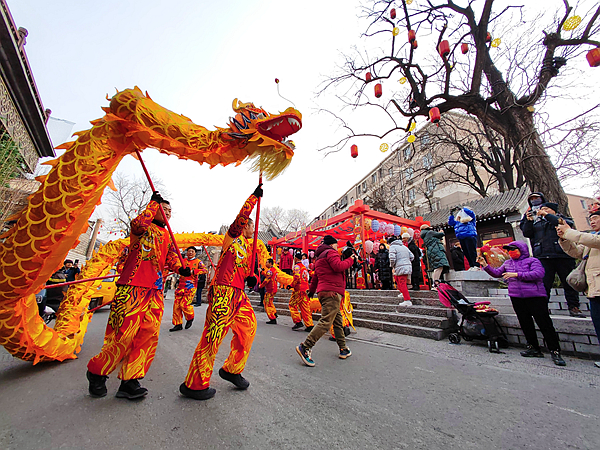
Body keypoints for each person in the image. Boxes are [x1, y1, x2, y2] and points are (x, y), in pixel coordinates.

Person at [86, 192, 189, 399]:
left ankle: (130, 380)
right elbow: (139, 224)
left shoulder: (168, 235)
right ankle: (97, 371)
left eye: (170, 211)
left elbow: (170, 258)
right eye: (164, 209)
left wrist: (181, 269)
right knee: (123, 335)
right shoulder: (141, 229)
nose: (168, 214)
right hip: (132, 287)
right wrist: (152, 204)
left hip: (155, 290)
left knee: (147, 335)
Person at [179, 185, 262, 401]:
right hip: (223, 292)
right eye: (251, 226)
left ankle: (232, 369)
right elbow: (241, 218)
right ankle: (195, 384)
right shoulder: (232, 237)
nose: (252, 230)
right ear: (245, 226)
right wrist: (253, 198)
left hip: (238, 294)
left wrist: (251, 278)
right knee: (213, 336)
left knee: (249, 328)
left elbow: (243, 272)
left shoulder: (247, 248)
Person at [478, 241, 566, 366]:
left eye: (513, 249)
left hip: (535, 296)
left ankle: (555, 350)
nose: (511, 252)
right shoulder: (508, 263)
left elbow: (539, 274)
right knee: (525, 323)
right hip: (517, 297)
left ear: (521, 250)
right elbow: (497, 273)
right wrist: (485, 265)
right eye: (509, 250)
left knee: (544, 323)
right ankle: (533, 347)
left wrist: (517, 274)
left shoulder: (532, 261)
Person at [519, 193, 584, 317]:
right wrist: (528, 221)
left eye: (546, 208)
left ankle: (574, 306)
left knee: (568, 282)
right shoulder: (534, 220)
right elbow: (527, 233)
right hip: (543, 255)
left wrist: (547, 215)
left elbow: (564, 225)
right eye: (531, 199)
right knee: (544, 284)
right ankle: (543, 308)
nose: (535, 202)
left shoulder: (560, 218)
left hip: (563, 254)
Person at [296, 235, 356, 367]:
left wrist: (311, 292)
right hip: (332, 292)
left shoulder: (319, 258)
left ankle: (343, 348)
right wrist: (350, 260)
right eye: (336, 245)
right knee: (325, 322)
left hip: (323, 292)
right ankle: (305, 347)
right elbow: (338, 266)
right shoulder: (331, 252)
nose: (337, 247)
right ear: (332, 244)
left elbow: (316, 277)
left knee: (338, 322)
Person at [557, 207, 600, 368]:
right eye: (591, 218)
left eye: (596, 218)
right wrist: (564, 239)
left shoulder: (593, 239)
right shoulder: (592, 238)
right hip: (594, 288)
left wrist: (568, 231)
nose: (592, 221)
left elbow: (586, 239)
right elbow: (577, 252)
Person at [170, 247, 206, 332]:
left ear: (195, 253)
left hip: (191, 286)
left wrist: (194, 272)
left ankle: (190, 317)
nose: (190, 252)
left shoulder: (198, 262)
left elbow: (205, 270)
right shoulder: (183, 261)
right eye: (189, 251)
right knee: (176, 306)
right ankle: (177, 324)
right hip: (180, 286)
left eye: (192, 251)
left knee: (184, 304)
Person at [289, 252, 314, 332]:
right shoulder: (304, 267)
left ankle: (298, 321)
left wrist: (291, 285)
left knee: (292, 305)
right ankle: (309, 325)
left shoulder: (297, 267)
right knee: (305, 307)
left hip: (299, 289)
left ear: (296, 258)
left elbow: (296, 278)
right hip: (305, 289)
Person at [420, 224, 449, 289]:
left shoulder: (425, 235)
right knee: (439, 267)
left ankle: (435, 283)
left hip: (432, 251)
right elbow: (440, 234)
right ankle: (435, 283)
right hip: (436, 250)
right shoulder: (429, 232)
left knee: (436, 267)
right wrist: (441, 231)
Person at [389, 235, 414, 306]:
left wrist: (392, 265)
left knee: (402, 282)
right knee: (397, 279)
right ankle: (402, 292)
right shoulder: (404, 247)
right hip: (407, 266)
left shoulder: (392, 247)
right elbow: (412, 256)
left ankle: (407, 300)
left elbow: (392, 258)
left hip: (400, 266)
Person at [259, 258, 278, 324]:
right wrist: (262, 272)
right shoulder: (274, 270)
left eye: (267, 262)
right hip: (274, 289)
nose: (266, 264)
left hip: (270, 289)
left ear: (270, 263)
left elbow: (266, 280)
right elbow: (268, 276)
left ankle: (272, 317)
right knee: (270, 302)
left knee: (267, 303)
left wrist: (261, 286)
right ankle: (274, 312)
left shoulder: (270, 271)